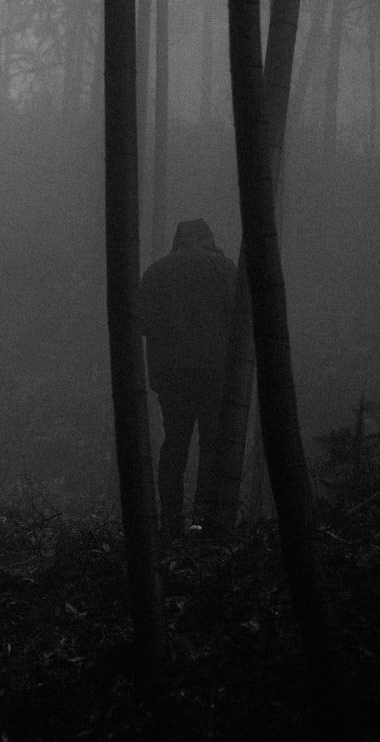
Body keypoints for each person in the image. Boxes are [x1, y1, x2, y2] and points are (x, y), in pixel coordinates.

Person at [138, 219, 237, 540]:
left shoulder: (156, 272)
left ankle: (169, 522)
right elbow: (240, 320)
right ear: (209, 238)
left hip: (172, 375)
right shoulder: (226, 270)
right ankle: (203, 521)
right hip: (215, 373)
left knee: (175, 446)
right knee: (212, 446)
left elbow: (141, 323)